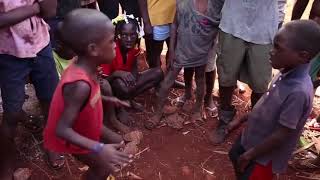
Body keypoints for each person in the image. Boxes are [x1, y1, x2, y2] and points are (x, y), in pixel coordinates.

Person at [43, 9, 132, 180]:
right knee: (103, 165)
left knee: (118, 142)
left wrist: (108, 98)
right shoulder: (79, 85)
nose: (115, 44)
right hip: (72, 135)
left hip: (85, 123)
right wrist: (99, 148)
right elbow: (61, 129)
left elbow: (87, 98)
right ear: (93, 49)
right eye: (111, 40)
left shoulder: (86, 67)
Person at [228, 20, 320, 179]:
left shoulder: (298, 92)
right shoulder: (284, 72)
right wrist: (243, 118)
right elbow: (268, 106)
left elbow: (281, 135)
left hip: (262, 157)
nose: (271, 51)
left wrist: (250, 155)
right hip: (252, 139)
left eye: (278, 48)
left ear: (302, 56)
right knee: (235, 156)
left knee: (249, 174)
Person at [0, 0, 61, 176]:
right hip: (8, 53)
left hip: (41, 45)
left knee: (49, 99)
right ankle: (6, 160)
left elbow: (49, 11)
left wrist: (35, 9)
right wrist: (34, 8)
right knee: (12, 112)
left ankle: (51, 143)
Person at [210, 0, 279, 144]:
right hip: (232, 23)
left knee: (260, 83)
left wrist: (279, 21)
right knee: (226, 76)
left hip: (264, 28)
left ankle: (255, 124)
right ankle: (225, 118)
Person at [144, 0, 221, 129]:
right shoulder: (183, 2)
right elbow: (174, 25)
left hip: (201, 52)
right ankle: (157, 113)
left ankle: (197, 110)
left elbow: (217, 27)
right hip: (182, 51)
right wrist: (172, 50)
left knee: (200, 79)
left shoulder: (215, 6)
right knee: (167, 81)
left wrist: (211, 46)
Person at [100, 15, 164, 122]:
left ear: (137, 34)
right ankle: (119, 108)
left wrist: (134, 81)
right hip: (112, 88)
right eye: (124, 35)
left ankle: (129, 100)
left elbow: (134, 68)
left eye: (132, 35)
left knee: (158, 72)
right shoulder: (110, 51)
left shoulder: (134, 47)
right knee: (120, 85)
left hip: (125, 84)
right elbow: (103, 83)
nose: (129, 39)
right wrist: (117, 73)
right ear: (118, 35)